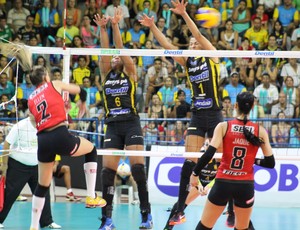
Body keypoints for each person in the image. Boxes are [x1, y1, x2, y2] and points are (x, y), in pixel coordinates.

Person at [0, 41, 106, 230]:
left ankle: (34, 226)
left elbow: (37, 119)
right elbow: (81, 90)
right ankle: (91, 196)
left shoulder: (31, 99)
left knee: (42, 185)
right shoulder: (54, 84)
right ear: (46, 76)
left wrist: (59, 108)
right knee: (92, 150)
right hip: (59, 135)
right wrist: (81, 103)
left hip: (43, 141)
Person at [140, 0, 223, 225]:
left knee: (223, 161)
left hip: (215, 115)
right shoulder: (187, 61)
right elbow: (167, 45)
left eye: (197, 42)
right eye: (192, 43)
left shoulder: (212, 56)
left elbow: (196, 31)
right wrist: (153, 27)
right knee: (189, 161)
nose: (194, 43)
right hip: (197, 115)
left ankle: (231, 209)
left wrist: (185, 14)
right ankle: (178, 211)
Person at [94, 8, 152, 230]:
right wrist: (102, 28)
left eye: (119, 55)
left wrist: (116, 25)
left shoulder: (131, 71)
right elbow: (106, 50)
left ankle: (146, 215)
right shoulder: (105, 72)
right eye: (114, 56)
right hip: (112, 126)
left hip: (131, 123)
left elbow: (119, 48)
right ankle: (106, 219)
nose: (115, 56)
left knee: (138, 170)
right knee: (107, 174)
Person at [190, 92, 275, 230]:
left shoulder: (224, 126)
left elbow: (209, 153)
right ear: (253, 107)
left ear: (236, 106)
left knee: (204, 227)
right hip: (245, 186)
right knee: (242, 228)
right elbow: (270, 163)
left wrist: (195, 173)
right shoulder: (260, 131)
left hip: (223, 183)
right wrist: (253, 161)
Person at [0, 117, 61, 229]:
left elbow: (50, 145)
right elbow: (7, 144)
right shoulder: (20, 125)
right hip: (18, 166)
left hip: (37, 165)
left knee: (43, 193)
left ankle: (47, 222)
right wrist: (4, 166)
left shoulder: (45, 125)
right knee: (9, 194)